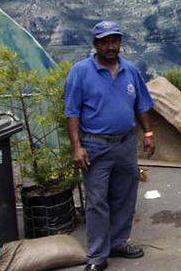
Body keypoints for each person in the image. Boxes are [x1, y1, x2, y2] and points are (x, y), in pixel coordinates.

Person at [65, 21, 156, 271]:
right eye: (104, 41)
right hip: (95, 147)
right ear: (95, 45)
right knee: (96, 202)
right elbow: (72, 112)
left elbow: (141, 104)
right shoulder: (80, 72)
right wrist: (76, 147)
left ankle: (117, 243)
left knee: (125, 197)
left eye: (114, 40)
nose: (111, 46)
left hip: (125, 145)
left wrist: (147, 132)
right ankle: (97, 256)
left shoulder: (130, 70)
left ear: (120, 43)